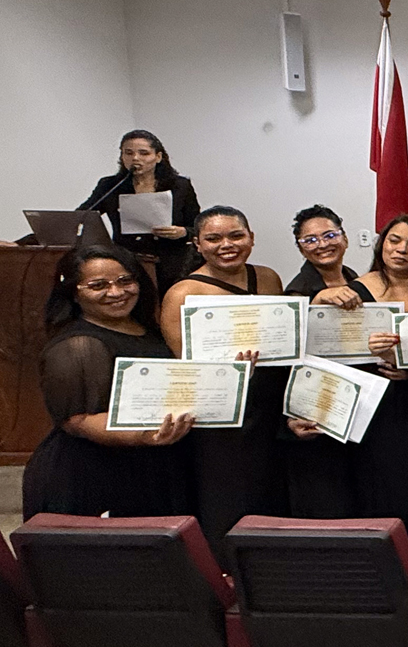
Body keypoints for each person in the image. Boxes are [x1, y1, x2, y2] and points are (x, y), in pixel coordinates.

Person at [158, 206, 289, 568]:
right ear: (198, 244)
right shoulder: (182, 294)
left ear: (251, 238)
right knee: (228, 501)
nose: (226, 245)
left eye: (236, 236)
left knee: (271, 494)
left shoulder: (268, 278)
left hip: (268, 407)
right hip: (221, 419)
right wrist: (229, 370)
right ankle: (232, 578)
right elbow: (186, 369)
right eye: (213, 239)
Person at [22, 245, 195, 518]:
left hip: (151, 465)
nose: (116, 292)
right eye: (98, 285)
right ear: (74, 292)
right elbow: (77, 420)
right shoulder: (76, 345)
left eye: (126, 281)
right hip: (92, 475)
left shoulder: (148, 329)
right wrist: (144, 435)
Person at [333, 214, 408, 556]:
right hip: (378, 410)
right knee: (386, 489)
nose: (403, 250)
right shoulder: (352, 291)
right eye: (395, 240)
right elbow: (330, 349)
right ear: (381, 243)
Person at [280, 206, 364, 522]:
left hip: (357, 407)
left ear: (344, 238)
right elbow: (286, 358)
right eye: (310, 240)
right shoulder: (296, 291)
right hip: (316, 412)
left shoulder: (359, 281)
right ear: (300, 247)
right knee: (329, 508)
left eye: (330, 235)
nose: (322, 244)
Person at [79, 130, 201, 289]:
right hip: (127, 260)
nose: (135, 158)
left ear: (158, 157)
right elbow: (83, 214)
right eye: (128, 153)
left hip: (171, 261)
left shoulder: (179, 186)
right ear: (122, 157)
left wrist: (182, 232)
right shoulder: (110, 186)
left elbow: (198, 227)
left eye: (143, 153)